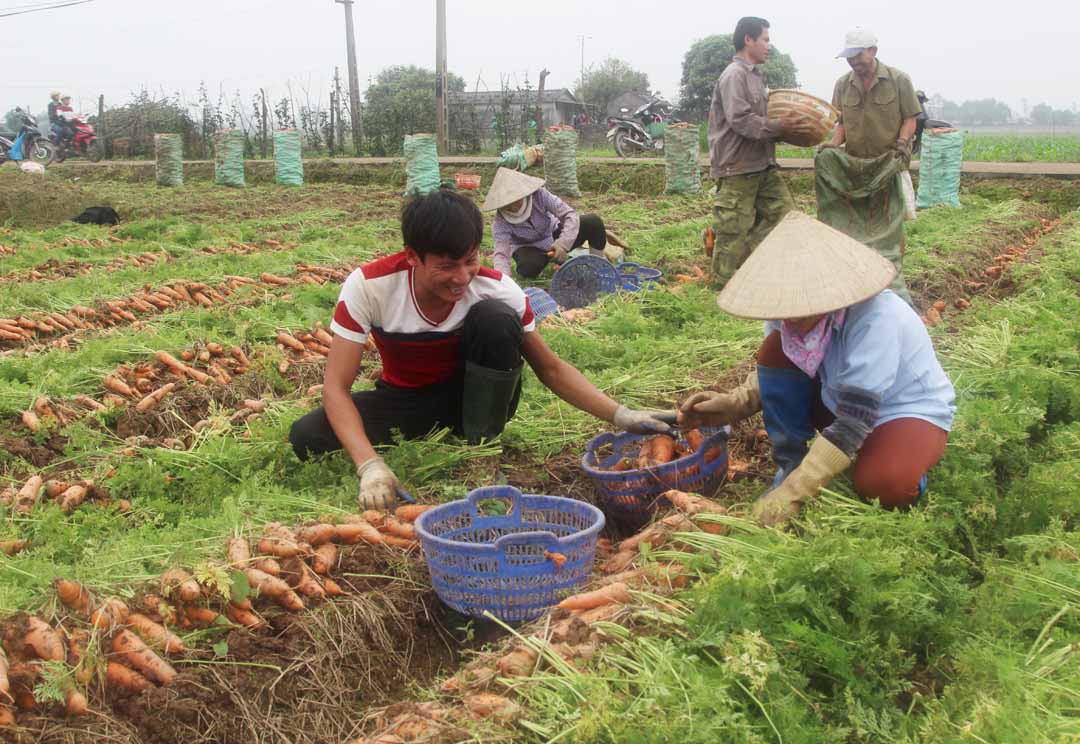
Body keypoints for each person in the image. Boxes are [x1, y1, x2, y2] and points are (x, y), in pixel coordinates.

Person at [289, 189, 676, 509]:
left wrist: (620, 414)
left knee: (494, 316)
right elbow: (335, 388)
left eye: (469, 260)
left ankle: (481, 447)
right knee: (307, 435)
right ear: (412, 257)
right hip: (405, 400)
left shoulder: (496, 287)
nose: (461, 278)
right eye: (446, 266)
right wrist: (369, 465)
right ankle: (415, 441)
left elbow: (551, 369)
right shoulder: (370, 286)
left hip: (475, 400)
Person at [679, 211, 955, 527]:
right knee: (775, 347)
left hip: (901, 411)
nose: (792, 317)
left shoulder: (878, 319)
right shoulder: (786, 307)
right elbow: (781, 369)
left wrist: (795, 495)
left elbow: (855, 418)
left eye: (803, 305)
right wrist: (736, 403)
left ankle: (902, 461)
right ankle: (791, 465)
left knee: (883, 486)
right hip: (838, 397)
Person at [817, 29, 923, 303]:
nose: (854, 62)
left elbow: (910, 119)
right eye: (849, 57)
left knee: (890, 220)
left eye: (858, 55)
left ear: (873, 51)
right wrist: (833, 144)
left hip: (888, 162)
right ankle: (853, 272)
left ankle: (889, 270)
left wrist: (902, 142)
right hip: (855, 166)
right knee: (857, 219)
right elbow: (842, 123)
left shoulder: (899, 80)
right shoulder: (842, 84)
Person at [705, 16, 810, 287]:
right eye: (765, 39)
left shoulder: (755, 77)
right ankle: (720, 289)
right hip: (737, 166)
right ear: (748, 40)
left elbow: (762, 119)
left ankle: (748, 258)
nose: (768, 46)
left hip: (762, 164)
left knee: (787, 218)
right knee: (732, 230)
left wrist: (786, 126)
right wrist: (779, 126)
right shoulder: (734, 76)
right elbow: (741, 120)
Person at [484, 167, 612, 279]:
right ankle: (551, 259)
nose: (512, 207)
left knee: (592, 222)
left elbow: (569, 214)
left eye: (515, 200)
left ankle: (598, 266)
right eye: (506, 204)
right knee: (528, 268)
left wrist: (563, 243)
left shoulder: (540, 195)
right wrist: (503, 282)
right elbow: (501, 255)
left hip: (553, 234)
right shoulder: (500, 221)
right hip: (528, 248)